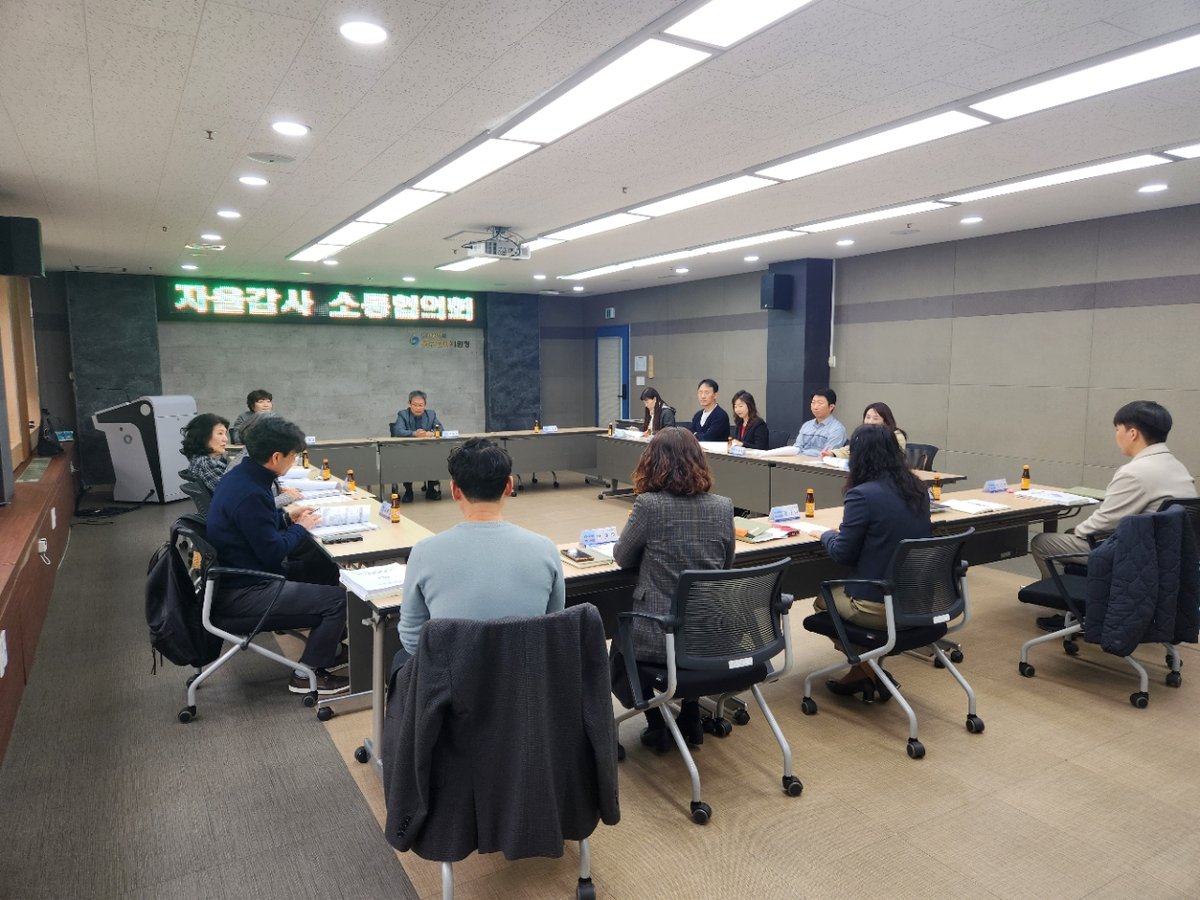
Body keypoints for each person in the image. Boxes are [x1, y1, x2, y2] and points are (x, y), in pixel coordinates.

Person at [612, 427, 735, 752]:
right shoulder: (723, 507)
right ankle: (690, 713)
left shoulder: (648, 506)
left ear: (652, 462)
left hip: (657, 636)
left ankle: (655, 722)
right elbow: (726, 565)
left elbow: (622, 557)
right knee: (688, 622)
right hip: (707, 634)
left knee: (619, 644)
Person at [206, 415, 349, 695]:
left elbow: (254, 527)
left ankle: (328, 646)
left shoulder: (242, 477)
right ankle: (306, 674)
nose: (293, 461)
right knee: (338, 600)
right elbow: (273, 553)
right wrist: (300, 527)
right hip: (245, 591)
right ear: (275, 457)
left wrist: (286, 519)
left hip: (240, 575)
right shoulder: (250, 491)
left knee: (326, 569)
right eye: (292, 456)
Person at [1029, 400, 1196, 628]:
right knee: (1070, 535)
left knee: (1043, 542)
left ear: (1133, 433)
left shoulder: (1134, 472)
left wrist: (1077, 530)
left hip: (1135, 558)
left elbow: (1102, 523)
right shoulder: (1177, 467)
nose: (1116, 436)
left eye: (1118, 429)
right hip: (1166, 558)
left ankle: (1071, 613)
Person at [396, 437, 565, 661]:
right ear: (509, 486)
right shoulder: (545, 549)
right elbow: (553, 628)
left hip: (452, 680)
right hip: (525, 678)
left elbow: (411, 640)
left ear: (455, 490)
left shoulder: (424, 552)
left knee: (400, 660)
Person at [816, 425, 931, 701]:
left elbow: (842, 554)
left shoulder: (862, 495)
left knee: (822, 600)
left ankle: (866, 670)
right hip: (916, 601)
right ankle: (865, 672)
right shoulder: (919, 489)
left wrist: (826, 534)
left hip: (878, 605)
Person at [181, 412, 300, 508]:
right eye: (220, 433)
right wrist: (287, 497)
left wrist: (276, 490)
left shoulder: (202, 460)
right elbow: (243, 504)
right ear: (203, 436)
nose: (225, 439)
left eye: (225, 434)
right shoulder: (205, 464)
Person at [390, 390, 443, 503]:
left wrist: (432, 433)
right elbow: (398, 431)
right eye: (415, 405)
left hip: (427, 450)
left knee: (434, 457)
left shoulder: (431, 414)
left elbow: (441, 429)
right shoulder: (403, 414)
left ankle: (431, 489)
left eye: (420, 405)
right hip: (408, 450)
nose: (418, 408)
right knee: (407, 460)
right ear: (409, 404)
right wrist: (415, 434)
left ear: (425, 405)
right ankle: (408, 491)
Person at [822, 402, 906, 459]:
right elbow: (851, 449)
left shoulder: (897, 436)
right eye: (868, 417)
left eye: (875, 418)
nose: (870, 421)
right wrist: (832, 454)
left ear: (885, 421)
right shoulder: (863, 434)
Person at [793, 388, 846, 456]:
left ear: (831, 407)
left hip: (819, 462)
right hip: (799, 460)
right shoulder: (806, 425)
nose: (815, 407)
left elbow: (827, 454)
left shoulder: (837, 429)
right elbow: (797, 448)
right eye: (813, 403)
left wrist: (803, 455)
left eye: (820, 403)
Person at [687, 378, 730, 442]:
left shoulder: (721, 415)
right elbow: (688, 435)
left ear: (715, 395)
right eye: (700, 392)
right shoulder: (697, 415)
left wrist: (695, 434)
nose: (703, 396)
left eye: (706, 392)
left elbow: (707, 438)